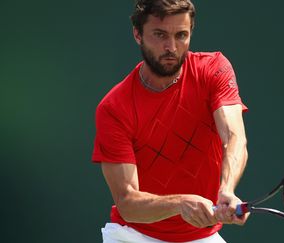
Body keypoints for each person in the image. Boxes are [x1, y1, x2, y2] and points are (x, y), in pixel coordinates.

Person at [92, 0, 249, 242]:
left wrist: (226, 189)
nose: (171, 47)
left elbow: (234, 137)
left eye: (181, 35)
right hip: (134, 236)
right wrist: (180, 203)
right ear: (137, 34)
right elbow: (128, 203)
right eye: (160, 35)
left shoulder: (214, 70)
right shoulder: (114, 108)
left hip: (202, 236)